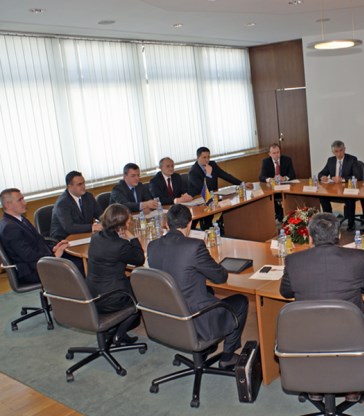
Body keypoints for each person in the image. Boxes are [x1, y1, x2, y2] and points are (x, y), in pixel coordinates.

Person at [280, 212, 364, 401]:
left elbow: (285, 293)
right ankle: (352, 389)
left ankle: (315, 390)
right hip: (350, 333)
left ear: (310, 238)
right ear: (339, 236)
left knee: (317, 333)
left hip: (307, 333)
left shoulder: (293, 261)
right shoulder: (357, 257)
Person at [148, 204, 248, 369]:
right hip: (193, 316)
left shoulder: (153, 246)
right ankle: (227, 357)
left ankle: (206, 348)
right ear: (189, 223)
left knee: (207, 290)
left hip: (168, 315)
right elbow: (220, 277)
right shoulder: (194, 246)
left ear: (167, 224)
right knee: (241, 301)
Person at [86, 204, 144, 345]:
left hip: (91, 294)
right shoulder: (120, 245)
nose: (130, 223)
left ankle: (112, 329)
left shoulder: (96, 238)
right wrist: (131, 236)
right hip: (112, 298)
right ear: (122, 224)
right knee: (144, 295)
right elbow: (139, 259)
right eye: (128, 221)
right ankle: (119, 334)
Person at [0, 188, 70, 284]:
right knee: (77, 266)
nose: (24, 203)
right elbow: (28, 255)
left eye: (23, 199)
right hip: (31, 270)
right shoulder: (9, 228)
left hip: (38, 262)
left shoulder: (20, 219)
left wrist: (53, 248)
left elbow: (37, 241)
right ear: (8, 205)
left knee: (75, 260)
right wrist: (54, 256)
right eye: (20, 200)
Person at [317, 140, 363, 231]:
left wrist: (342, 179)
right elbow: (321, 173)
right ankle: (329, 221)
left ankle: (351, 223)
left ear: (344, 149)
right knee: (323, 197)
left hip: (348, 189)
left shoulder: (352, 159)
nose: (339, 153)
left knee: (349, 198)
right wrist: (322, 177)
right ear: (333, 152)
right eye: (336, 151)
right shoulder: (331, 160)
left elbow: (358, 176)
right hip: (334, 190)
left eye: (341, 150)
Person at [50, 171, 103, 241]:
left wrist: (110, 222)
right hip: (64, 240)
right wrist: (93, 226)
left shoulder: (88, 196)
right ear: (69, 187)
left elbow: (101, 214)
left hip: (84, 236)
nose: (83, 186)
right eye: (79, 184)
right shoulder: (62, 203)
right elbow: (69, 227)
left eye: (84, 183)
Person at [188, 146, 252, 197]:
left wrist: (242, 184)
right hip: (201, 200)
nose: (207, 160)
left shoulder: (212, 164)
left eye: (208, 157)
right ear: (197, 157)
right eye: (204, 157)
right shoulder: (193, 172)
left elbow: (225, 175)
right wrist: (208, 174)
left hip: (215, 196)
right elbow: (205, 190)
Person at [259, 144, 296, 221]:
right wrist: (270, 179)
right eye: (274, 153)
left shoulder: (287, 159)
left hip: (285, 187)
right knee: (270, 198)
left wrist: (285, 178)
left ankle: (285, 215)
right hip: (272, 189)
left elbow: (292, 174)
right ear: (269, 154)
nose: (276, 155)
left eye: (278, 152)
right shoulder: (266, 161)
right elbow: (262, 177)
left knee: (290, 197)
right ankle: (281, 215)